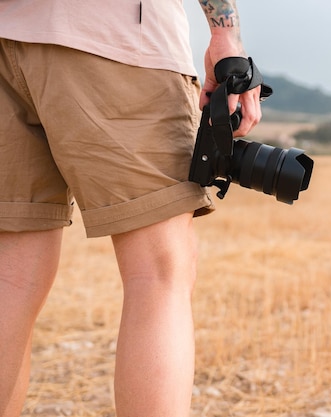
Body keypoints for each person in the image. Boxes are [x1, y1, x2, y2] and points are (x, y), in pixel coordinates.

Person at [0, 1, 261, 416]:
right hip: (116, 35)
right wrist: (225, 34)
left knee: (11, 277)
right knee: (158, 271)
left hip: (7, 37)